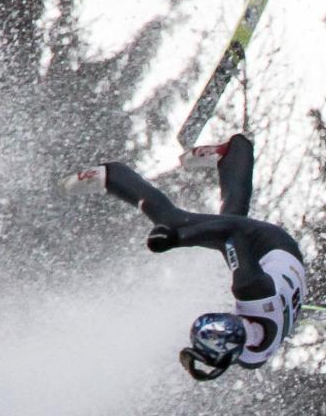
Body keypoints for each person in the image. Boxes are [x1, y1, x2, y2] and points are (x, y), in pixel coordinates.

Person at [61, 134, 306, 381]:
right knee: (173, 221)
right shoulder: (249, 287)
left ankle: (232, 154)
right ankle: (113, 175)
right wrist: (177, 238)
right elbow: (236, 233)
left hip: (284, 271)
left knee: (231, 215)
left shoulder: (251, 357)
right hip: (270, 244)